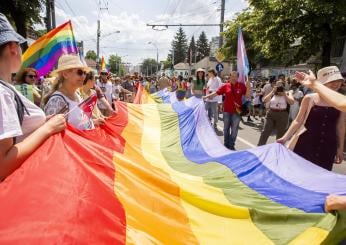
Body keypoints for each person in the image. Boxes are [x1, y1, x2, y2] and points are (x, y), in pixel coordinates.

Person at [0, 13, 66, 180]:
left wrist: (44, 122)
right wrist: (48, 129)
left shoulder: (6, 89)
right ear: (13, 48)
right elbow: (3, 166)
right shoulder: (2, 93)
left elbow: (21, 130)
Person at [277, 66, 345, 171]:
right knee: (299, 172)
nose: (336, 84)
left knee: (321, 177)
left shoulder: (341, 101)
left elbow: (340, 126)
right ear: (321, 83)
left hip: (328, 145)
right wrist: (285, 138)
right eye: (332, 81)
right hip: (306, 143)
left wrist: (340, 148)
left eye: (338, 81)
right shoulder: (309, 98)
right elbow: (298, 120)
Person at [43, 54, 94, 130]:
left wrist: (94, 122)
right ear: (65, 74)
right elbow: (53, 137)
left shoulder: (77, 96)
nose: (84, 76)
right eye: (80, 72)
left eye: (84, 73)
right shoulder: (57, 101)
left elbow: (79, 123)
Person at [203, 71, 246, 150]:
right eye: (232, 76)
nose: (233, 78)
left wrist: (249, 84)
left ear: (237, 77)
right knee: (226, 129)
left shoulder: (242, 86)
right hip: (226, 111)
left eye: (235, 76)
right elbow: (216, 93)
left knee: (234, 129)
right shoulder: (225, 85)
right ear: (229, 77)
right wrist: (206, 97)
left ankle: (232, 144)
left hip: (237, 112)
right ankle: (226, 144)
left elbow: (248, 95)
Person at [257, 81, 294, 146]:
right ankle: (259, 147)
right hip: (271, 113)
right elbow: (264, 100)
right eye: (277, 86)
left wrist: (284, 94)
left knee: (280, 134)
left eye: (280, 86)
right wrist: (272, 92)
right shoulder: (273, 93)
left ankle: (278, 150)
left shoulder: (287, 93)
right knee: (265, 131)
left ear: (283, 86)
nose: (279, 88)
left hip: (282, 114)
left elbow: (291, 102)